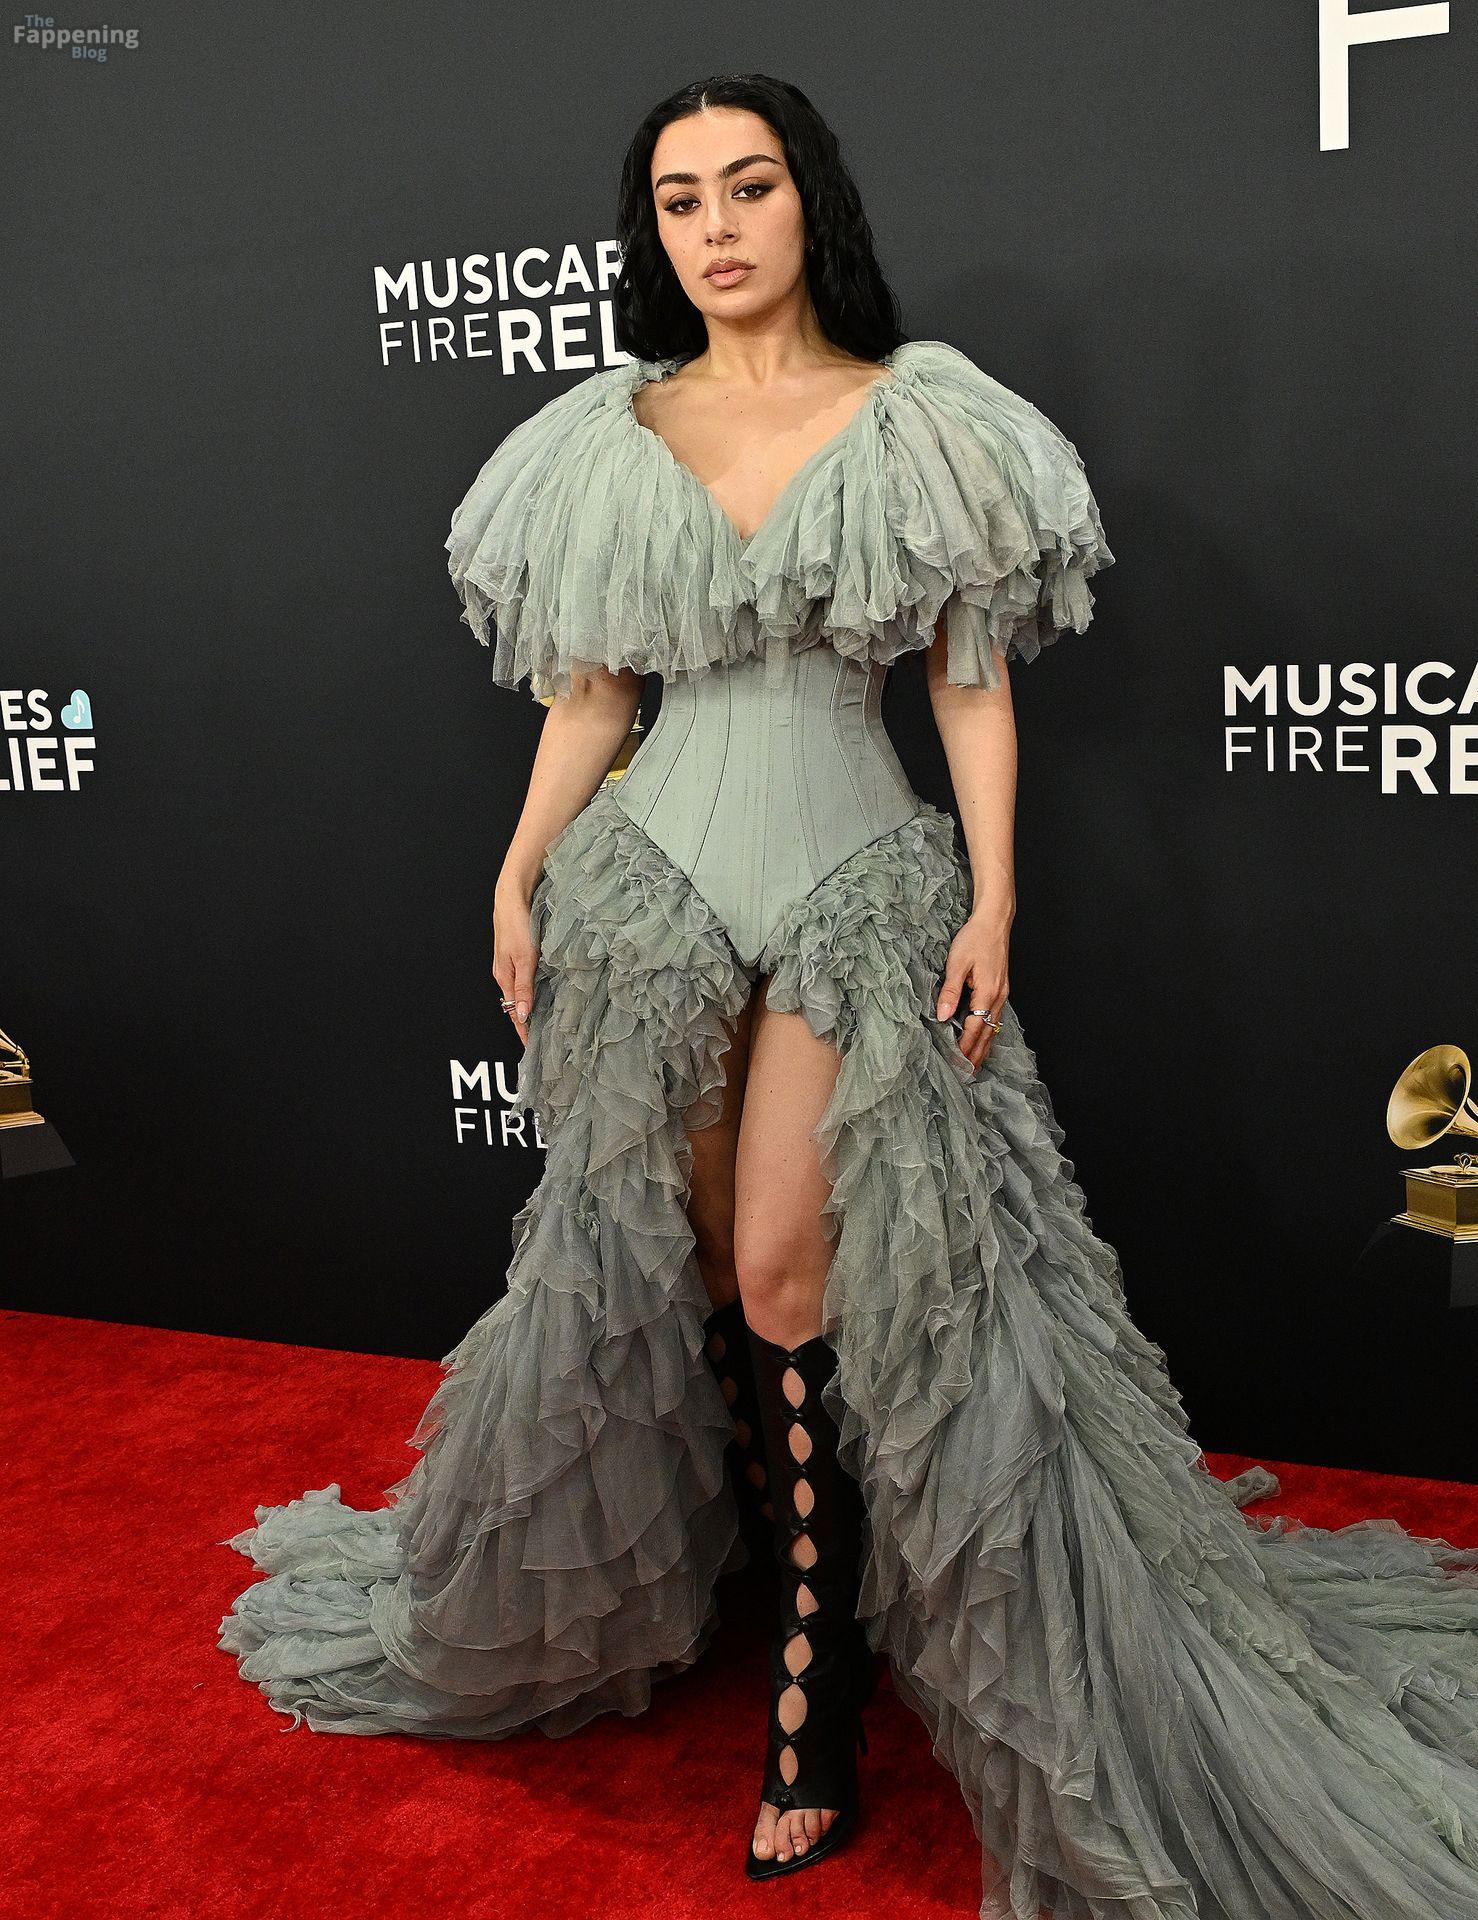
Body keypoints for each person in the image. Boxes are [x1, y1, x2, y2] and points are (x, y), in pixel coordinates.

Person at [218, 71, 1478, 1920]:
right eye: (679, 200)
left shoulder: (922, 418)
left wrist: (997, 892)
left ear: (810, 203)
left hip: (853, 881)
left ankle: (818, 1667)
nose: (715, 228)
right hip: (642, 884)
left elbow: (967, 681)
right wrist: (512, 867)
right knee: (677, 1258)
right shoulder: (604, 432)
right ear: (650, 231)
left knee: (785, 1271)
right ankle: (756, 1572)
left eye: (748, 187)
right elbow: (591, 691)